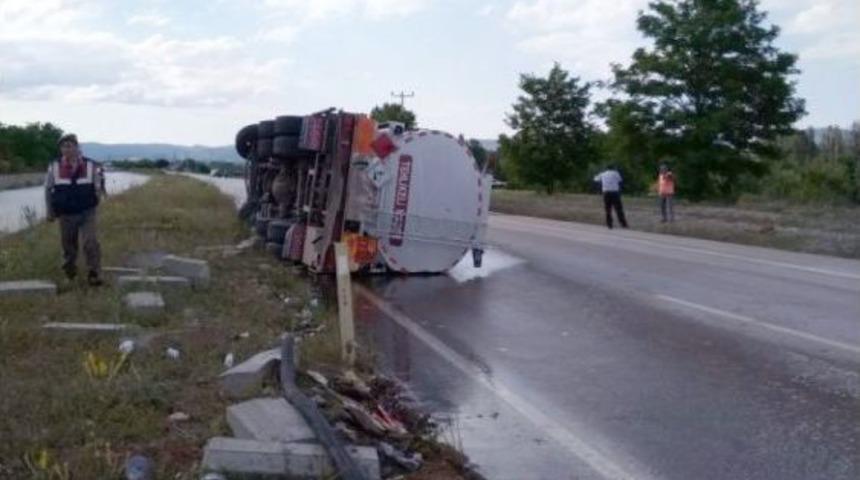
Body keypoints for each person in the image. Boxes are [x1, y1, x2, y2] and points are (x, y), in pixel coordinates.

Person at [44, 134, 104, 286]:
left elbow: (98, 187)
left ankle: (94, 273)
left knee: (90, 242)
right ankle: (70, 274)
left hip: (87, 212)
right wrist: (49, 211)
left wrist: (96, 199)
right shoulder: (54, 166)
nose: (66, 149)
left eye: (70, 146)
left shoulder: (91, 165)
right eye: (63, 146)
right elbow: (48, 189)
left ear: (77, 147)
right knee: (68, 246)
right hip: (66, 213)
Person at [594, 165, 628, 229]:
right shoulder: (616, 173)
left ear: (606, 168)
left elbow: (595, 179)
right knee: (618, 208)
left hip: (606, 192)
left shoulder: (603, 173)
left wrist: (601, 181)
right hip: (615, 192)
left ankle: (609, 224)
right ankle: (623, 223)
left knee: (608, 208)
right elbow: (620, 180)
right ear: (613, 168)